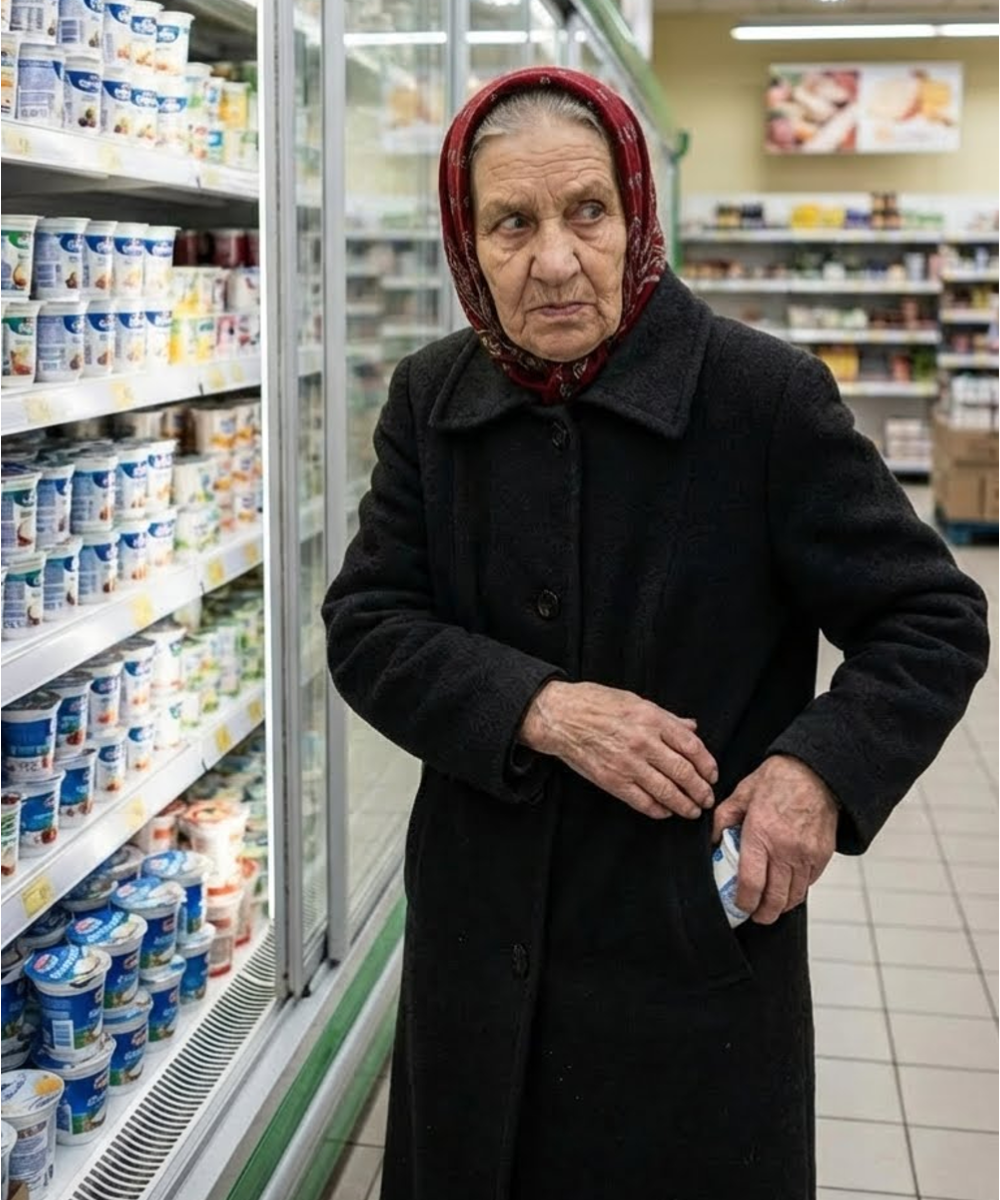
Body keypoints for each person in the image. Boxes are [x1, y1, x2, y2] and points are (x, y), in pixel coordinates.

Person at [323, 67, 989, 1200]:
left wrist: (813, 774)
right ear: (464, 239)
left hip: (682, 944)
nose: (553, 260)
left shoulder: (760, 398)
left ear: (636, 213)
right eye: (511, 222)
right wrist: (539, 706)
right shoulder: (430, 399)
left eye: (587, 211)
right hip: (479, 942)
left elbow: (928, 614)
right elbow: (368, 622)